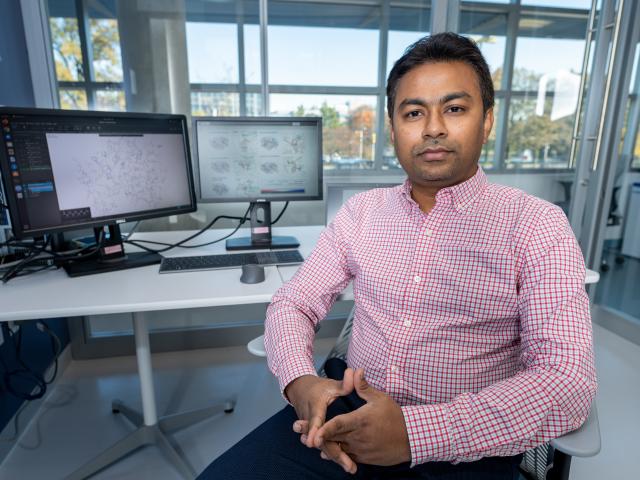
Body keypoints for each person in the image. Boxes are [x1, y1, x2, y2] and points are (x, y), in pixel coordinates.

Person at [197, 32, 597, 480]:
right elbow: (294, 302)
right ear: (392, 129)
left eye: (455, 108)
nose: (433, 129)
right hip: (345, 411)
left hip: (463, 441)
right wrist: (300, 382)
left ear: (487, 121)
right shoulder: (362, 213)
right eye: (413, 113)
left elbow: (567, 382)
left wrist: (413, 433)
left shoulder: (536, 225)